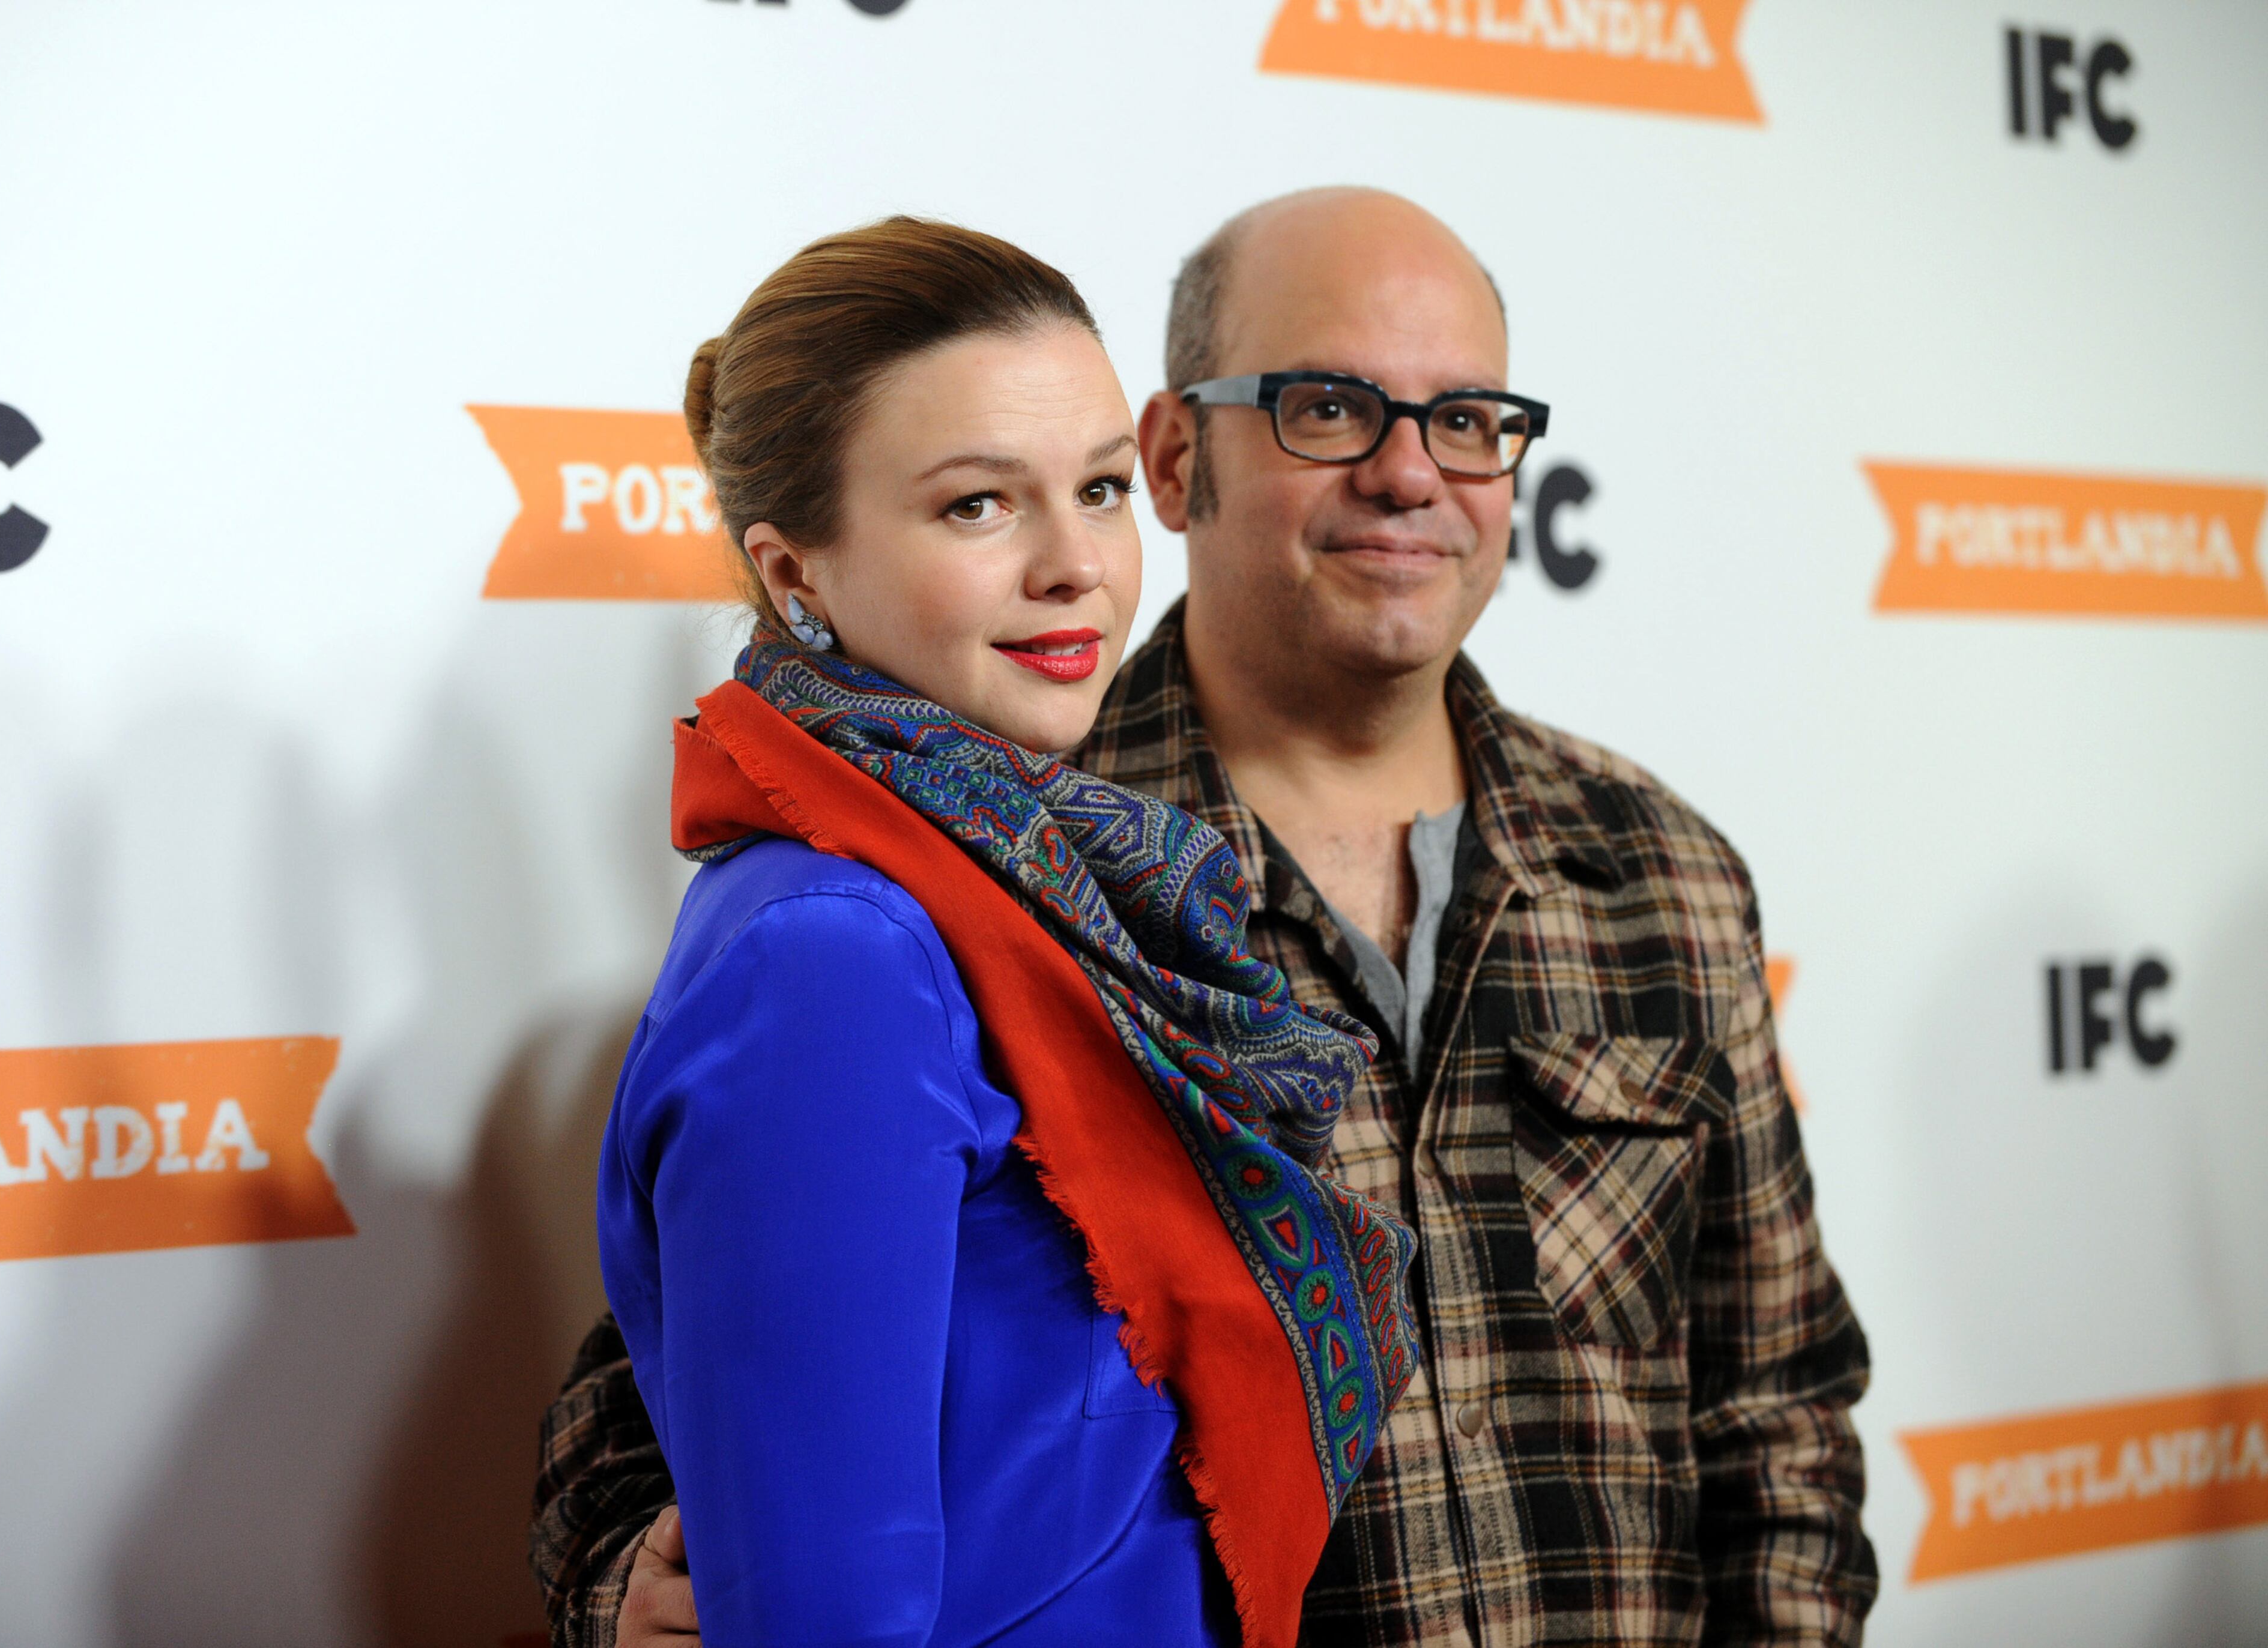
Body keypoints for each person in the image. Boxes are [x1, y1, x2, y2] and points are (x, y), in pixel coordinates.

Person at [537, 189, 1879, 1647]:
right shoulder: (975, 872)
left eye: (1470, 419)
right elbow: (675, 1391)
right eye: (1328, 408)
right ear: (1183, 458)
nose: (1410, 474)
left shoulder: (1660, 873)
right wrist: (629, 1588)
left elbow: (1779, 1416)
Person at [588, 215, 1421, 1648]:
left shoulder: (1041, 880)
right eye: (978, 504)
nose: (1075, 565)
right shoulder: (835, 960)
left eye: (1100, 489)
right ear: (796, 576)